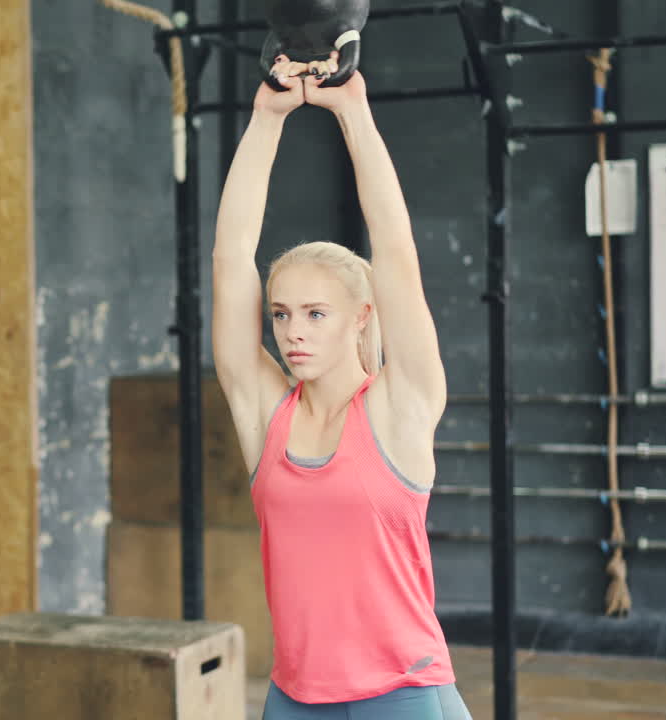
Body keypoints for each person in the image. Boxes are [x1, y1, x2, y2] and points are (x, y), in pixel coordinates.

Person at [213, 54, 472, 720]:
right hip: (294, 698)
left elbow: (395, 247)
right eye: (281, 313)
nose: (292, 332)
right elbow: (230, 256)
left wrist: (352, 112)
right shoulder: (266, 413)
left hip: (407, 695)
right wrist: (266, 119)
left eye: (315, 313)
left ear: (361, 317)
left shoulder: (399, 406)